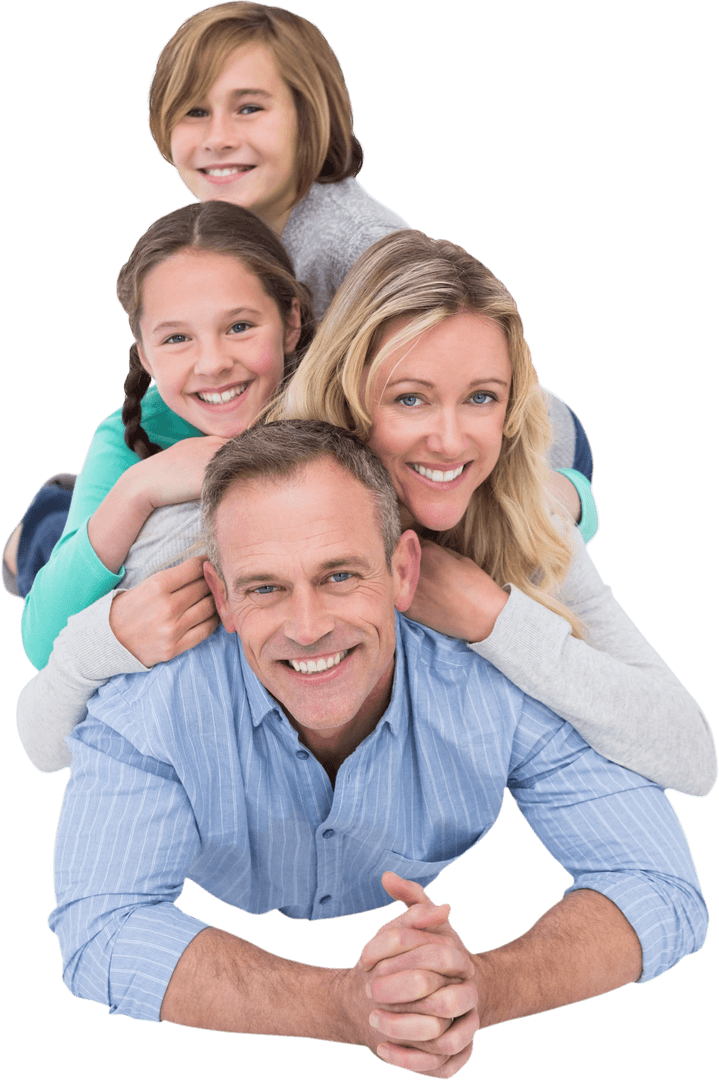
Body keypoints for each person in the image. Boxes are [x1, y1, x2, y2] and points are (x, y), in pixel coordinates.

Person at [48, 421, 708, 1075]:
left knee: (545, 496)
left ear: (403, 570)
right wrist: (339, 1005)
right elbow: (100, 930)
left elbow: (659, 887)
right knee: (56, 558)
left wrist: (483, 986)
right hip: (144, 531)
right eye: (264, 587)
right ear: (220, 597)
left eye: (339, 576)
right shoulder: (145, 699)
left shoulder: (500, 672)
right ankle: (53, 515)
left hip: (507, 494)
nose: (307, 629)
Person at [16, 234, 716, 796]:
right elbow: (43, 742)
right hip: (129, 501)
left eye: (480, 398)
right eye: (408, 399)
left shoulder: (515, 510)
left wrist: (497, 620)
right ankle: (49, 514)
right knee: (55, 542)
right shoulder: (235, 520)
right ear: (352, 400)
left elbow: (691, 758)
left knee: (567, 456)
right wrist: (103, 639)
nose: (449, 439)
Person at [3, 2, 596, 612]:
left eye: (250, 108)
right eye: (195, 112)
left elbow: (445, 409)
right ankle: (63, 523)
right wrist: (130, 482)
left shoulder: (352, 250)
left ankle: (50, 535)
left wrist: (567, 498)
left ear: (308, 119)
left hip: (526, 432)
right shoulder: (235, 233)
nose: (218, 137)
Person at [18, 199, 312, 673]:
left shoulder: (327, 404)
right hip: (70, 540)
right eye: (177, 338)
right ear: (146, 356)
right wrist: (140, 488)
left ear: (291, 323)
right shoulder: (126, 439)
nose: (213, 363)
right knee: (45, 544)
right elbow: (41, 644)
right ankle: (35, 528)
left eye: (239, 326)